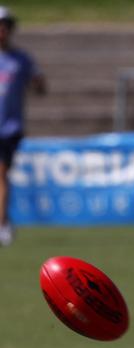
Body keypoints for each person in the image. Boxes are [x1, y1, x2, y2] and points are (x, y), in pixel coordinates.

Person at [0, 6, 46, 246]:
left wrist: (39, 83)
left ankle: (2, 223)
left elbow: (40, 86)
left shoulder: (21, 59)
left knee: (0, 174)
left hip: (7, 129)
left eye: (5, 26)